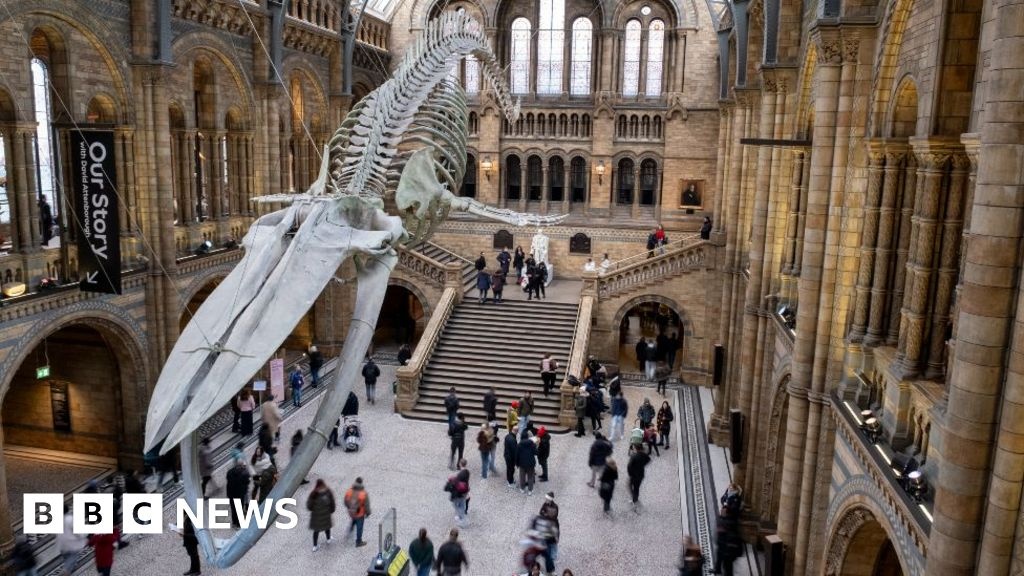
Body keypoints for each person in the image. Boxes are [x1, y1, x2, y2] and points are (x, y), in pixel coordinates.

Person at [307, 479, 336, 551]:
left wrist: (314, 510)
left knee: (316, 531)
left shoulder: (313, 494)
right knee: (327, 527)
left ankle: (315, 546)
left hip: (316, 516)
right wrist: (332, 510)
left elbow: (309, 506)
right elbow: (332, 502)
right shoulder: (328, 491)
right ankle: (328, 539)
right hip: (326, 514)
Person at [713, 507, 743, 575]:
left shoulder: (730, 522)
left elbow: (731, 534)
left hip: (728, 549)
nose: (721, 512)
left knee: (727, 566)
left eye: (723, 511)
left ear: (727, 513)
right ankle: (717, 569)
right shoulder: (723, 519)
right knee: (720, 560)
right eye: (721, 511)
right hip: (722, 545)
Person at [344, 477, 371, 546]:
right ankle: (358, 541)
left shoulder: (349, 491)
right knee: (359, 527)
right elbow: (366, 505)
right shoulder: (364, 494)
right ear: (361, 483)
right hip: (360, 513)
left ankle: (350, 529)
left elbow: (345, 501)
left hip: (352, 512)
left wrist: (349, 508)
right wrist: (368, 513)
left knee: (353, 520)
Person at [57, 510, 85, 575]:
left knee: (67, 557)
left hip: (62, 544)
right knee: (73, 556)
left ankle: (70, 568)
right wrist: (82, 537)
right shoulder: (70, 519)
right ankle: (66, 569)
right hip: (71, 543)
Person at [225, 457, 251, 528]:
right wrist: (245, 469)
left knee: (233, 509)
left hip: (231, 494)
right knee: (239, 509)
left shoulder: (229, 472)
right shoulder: (243, 474)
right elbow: (247, 482)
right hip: (240, 495)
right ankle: (239, 524)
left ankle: (234, 523)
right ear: (242, 466)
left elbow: (228, 479)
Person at [627, 443, 652, 510]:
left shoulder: (634, 456)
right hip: (641, 474)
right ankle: (635, 499)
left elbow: (629, 466)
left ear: (636, 448)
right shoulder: (644, 455)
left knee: (629, 486)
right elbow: (649, 460)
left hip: (634, 475)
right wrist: (643, 465)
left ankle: (634, 499)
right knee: (636, 487)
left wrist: (630, 473)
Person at [517, 430, 538, 495]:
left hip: (522, 463)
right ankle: (530, 490)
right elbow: (535, 452)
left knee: (522, 476)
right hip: (531, 463)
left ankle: (522, 488)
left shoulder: (519, 444)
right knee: (530, 477)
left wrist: (517, 463)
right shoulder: (532, 443)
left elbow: (517, 455)